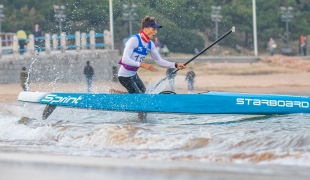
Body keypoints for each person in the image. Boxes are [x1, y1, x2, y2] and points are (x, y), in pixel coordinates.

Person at [117, 16, 186, 119]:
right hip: (124, 76)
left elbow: (159, 61)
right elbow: (125, 59)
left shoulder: (150, 44)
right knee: (141, 101)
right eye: (153, 29)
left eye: (156, 29)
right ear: (145, 29)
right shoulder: (134, 40)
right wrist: (143, 65)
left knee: (144, 95)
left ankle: (140, 119)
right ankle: (142, 124)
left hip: (133, 75)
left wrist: (175, 65)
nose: (156, 32)